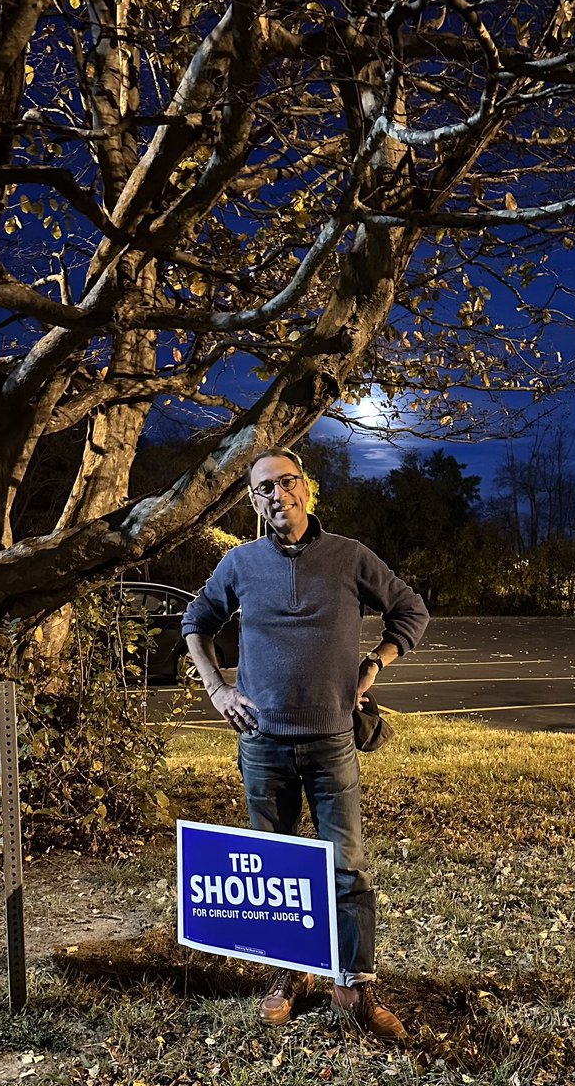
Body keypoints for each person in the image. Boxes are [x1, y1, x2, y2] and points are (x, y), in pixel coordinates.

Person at [181, 446, 429, 1042]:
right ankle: (291, 978)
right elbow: (196, 623)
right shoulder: (240, 564)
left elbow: (410, 611)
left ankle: (357, 982)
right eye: (264, 489)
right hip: (262, 743)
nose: (277, 495)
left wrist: (376, 662)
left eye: (286, 482)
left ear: (307, 488)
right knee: (275, 872)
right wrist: (218, 690)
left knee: (346, 867)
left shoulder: (349, 557)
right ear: (254, 501)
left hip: (332, 742)